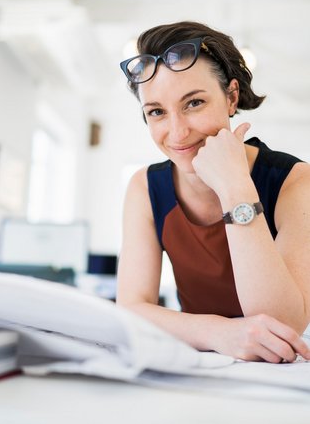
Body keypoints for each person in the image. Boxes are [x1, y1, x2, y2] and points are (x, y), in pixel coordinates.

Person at [116, 21, 310, 363]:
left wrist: (234, 186)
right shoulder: (145, 188)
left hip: (280, 369)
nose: (177, 132)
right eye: (157, 112)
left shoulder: (295, 182)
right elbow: (131, 308)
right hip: (200, 360)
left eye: (194, 103)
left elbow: (281, 324)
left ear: (231, 97)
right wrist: (219, 333)